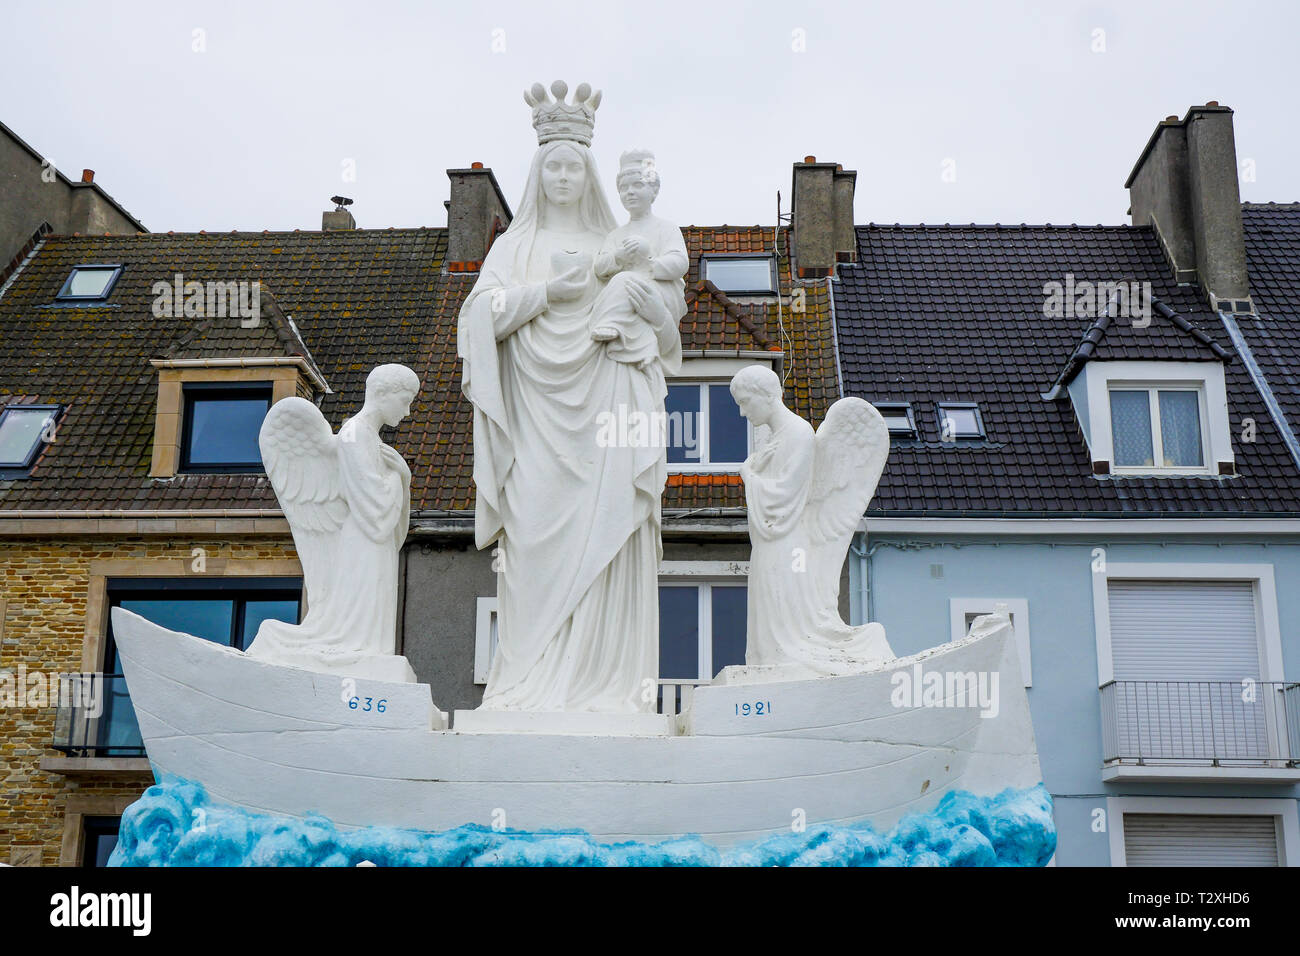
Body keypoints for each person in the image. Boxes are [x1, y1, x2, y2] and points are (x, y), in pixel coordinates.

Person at [457, 83, 685, 712]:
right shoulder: (514, 246)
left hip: (614, 404)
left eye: (573, 166)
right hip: (536, 424)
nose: (563, 176)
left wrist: (641, 310)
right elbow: (476, 320)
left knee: (614, 536)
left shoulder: (622, 239)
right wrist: (545, 297)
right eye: (552, 165)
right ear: (538, 174)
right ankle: (525, 689)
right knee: (529, 550)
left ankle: (608, 690)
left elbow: (669, 329)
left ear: (590, 176)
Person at [589, 150, 687, 371]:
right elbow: (600, 266)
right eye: (624, 188)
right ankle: (619, 333)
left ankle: (615, 326)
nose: (629, 192)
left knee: (624, 280)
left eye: (637, 185)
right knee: (621, 282)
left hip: (658, 291)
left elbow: (680, 262)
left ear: (653, 190)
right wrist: (619, 256)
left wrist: (648, 260)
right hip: (622, 292)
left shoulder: (666, 228)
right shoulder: (615, 235)